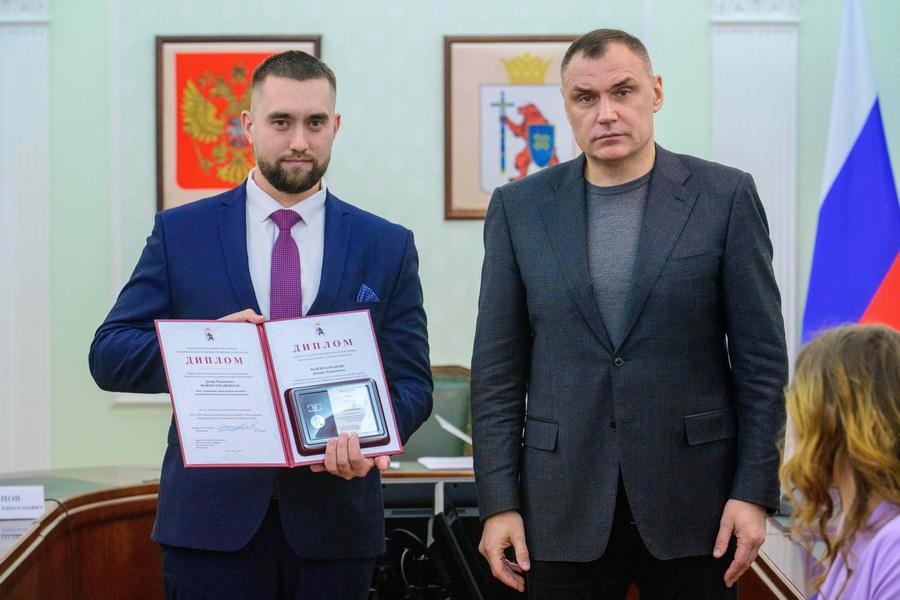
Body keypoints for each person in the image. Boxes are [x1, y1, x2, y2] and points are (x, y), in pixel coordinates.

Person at [89, 50, 433, 600]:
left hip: (335, 531)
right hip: (209, 529)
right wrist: (209, 350)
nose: (299, 140)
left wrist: (372, 441)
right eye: (281, 122)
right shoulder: (182, 233)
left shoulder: (386, 245)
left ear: (335, 127)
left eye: (314, 123)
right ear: (248, 125)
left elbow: (412, 383)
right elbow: (109, 354)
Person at [470, 28, 788, 599]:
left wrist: (753, 491)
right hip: (560, 505)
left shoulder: (725, 196)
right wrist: (498, 503)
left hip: (699, 506)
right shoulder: (519, 208)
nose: (607, 112)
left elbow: (762, 365)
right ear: (566, 105)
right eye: (586, 98)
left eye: (623, 91)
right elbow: (497, 373)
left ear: (656, 92)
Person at [780, 324, 900, 600]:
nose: (795, 427)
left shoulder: (894, 545)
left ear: (832, 421)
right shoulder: (858, 521)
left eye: (802, 407)